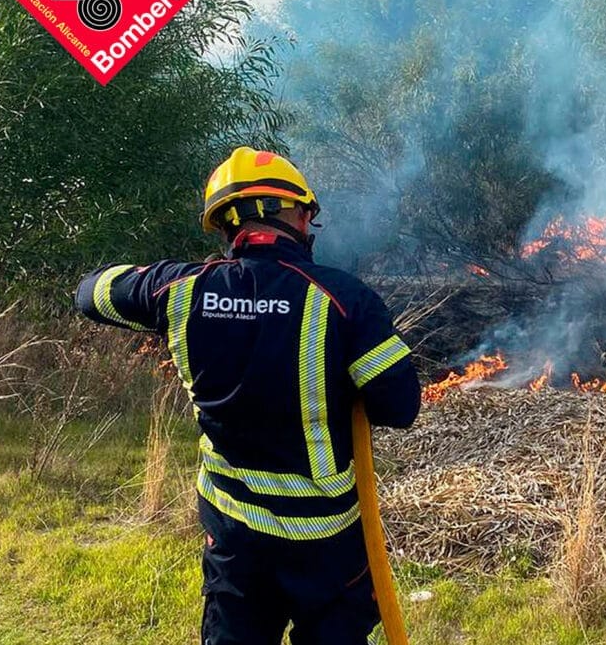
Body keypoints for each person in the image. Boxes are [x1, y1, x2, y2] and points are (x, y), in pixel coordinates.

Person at [75, 147, 421, 644]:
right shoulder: (345, 300)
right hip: (324, 543)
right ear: (299, 215)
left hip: (235, 537)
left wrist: (146, 274)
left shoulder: (180, 289)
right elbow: (399, 407)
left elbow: (91, 292)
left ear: (226, 226)